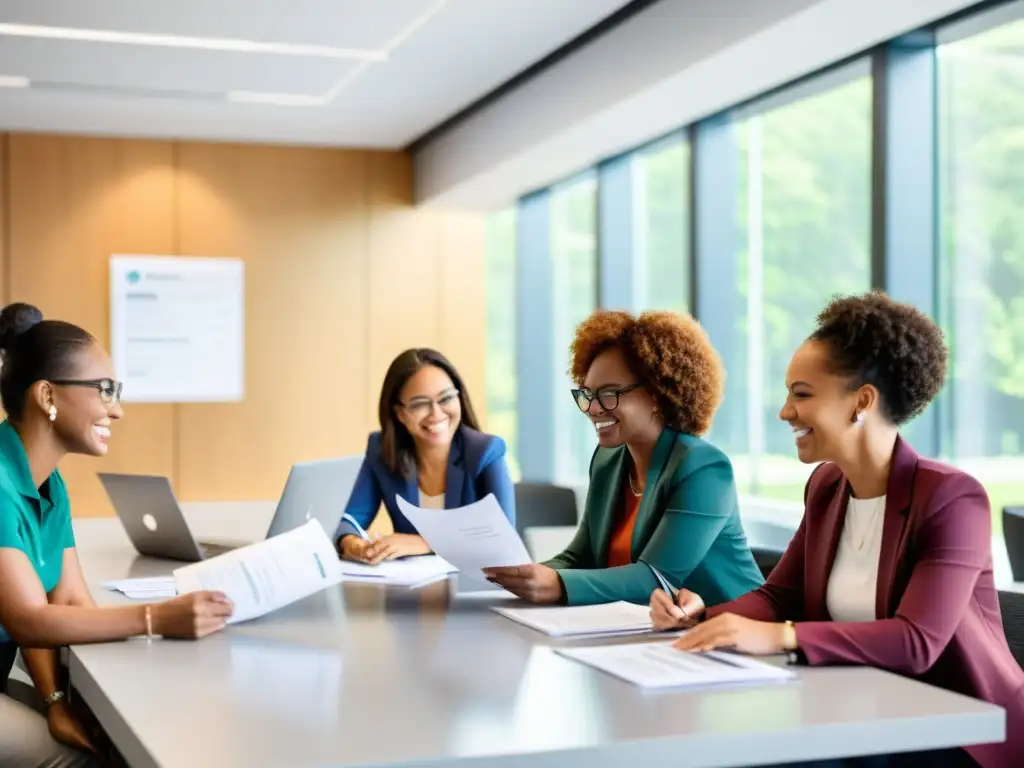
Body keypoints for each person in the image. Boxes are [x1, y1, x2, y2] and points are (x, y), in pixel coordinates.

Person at [650, 292, 1024, 768]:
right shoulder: (827, 486)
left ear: (862, 402)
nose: (785, 411)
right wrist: (703, 620)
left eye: (802, 394)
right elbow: (777, 596)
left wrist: (781, 638)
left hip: (960, 731)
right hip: (859, 707)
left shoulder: (952, 498)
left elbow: (916, 642)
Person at [0, 303, 234, 766]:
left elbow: (64, 599)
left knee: (98, 734)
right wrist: (156, 619)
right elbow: (28, 618)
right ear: (47, 396)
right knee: (85, 758)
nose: (118, 410)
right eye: (105, 390)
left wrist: (55, 701)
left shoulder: (49, 482)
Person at [484, 310, 763, 606]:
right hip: (653, 631)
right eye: (588, 394)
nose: (593, 408)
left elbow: (658, 578)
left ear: (657, 394)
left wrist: (558, 585)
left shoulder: (703, 467)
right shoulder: (609, 459)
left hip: (733, 631)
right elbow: (582, 556)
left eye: (609, 393)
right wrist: (522, 575)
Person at [336, 348, 515, 564]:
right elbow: (349, 520)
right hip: (412, 589)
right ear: (400, 413)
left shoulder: (486, 452)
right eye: (420, 404)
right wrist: (353, 543)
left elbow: (502, 537)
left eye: (446, 398)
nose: (436, 414)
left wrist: (425, 542)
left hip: (478, 587)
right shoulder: (382, 450)